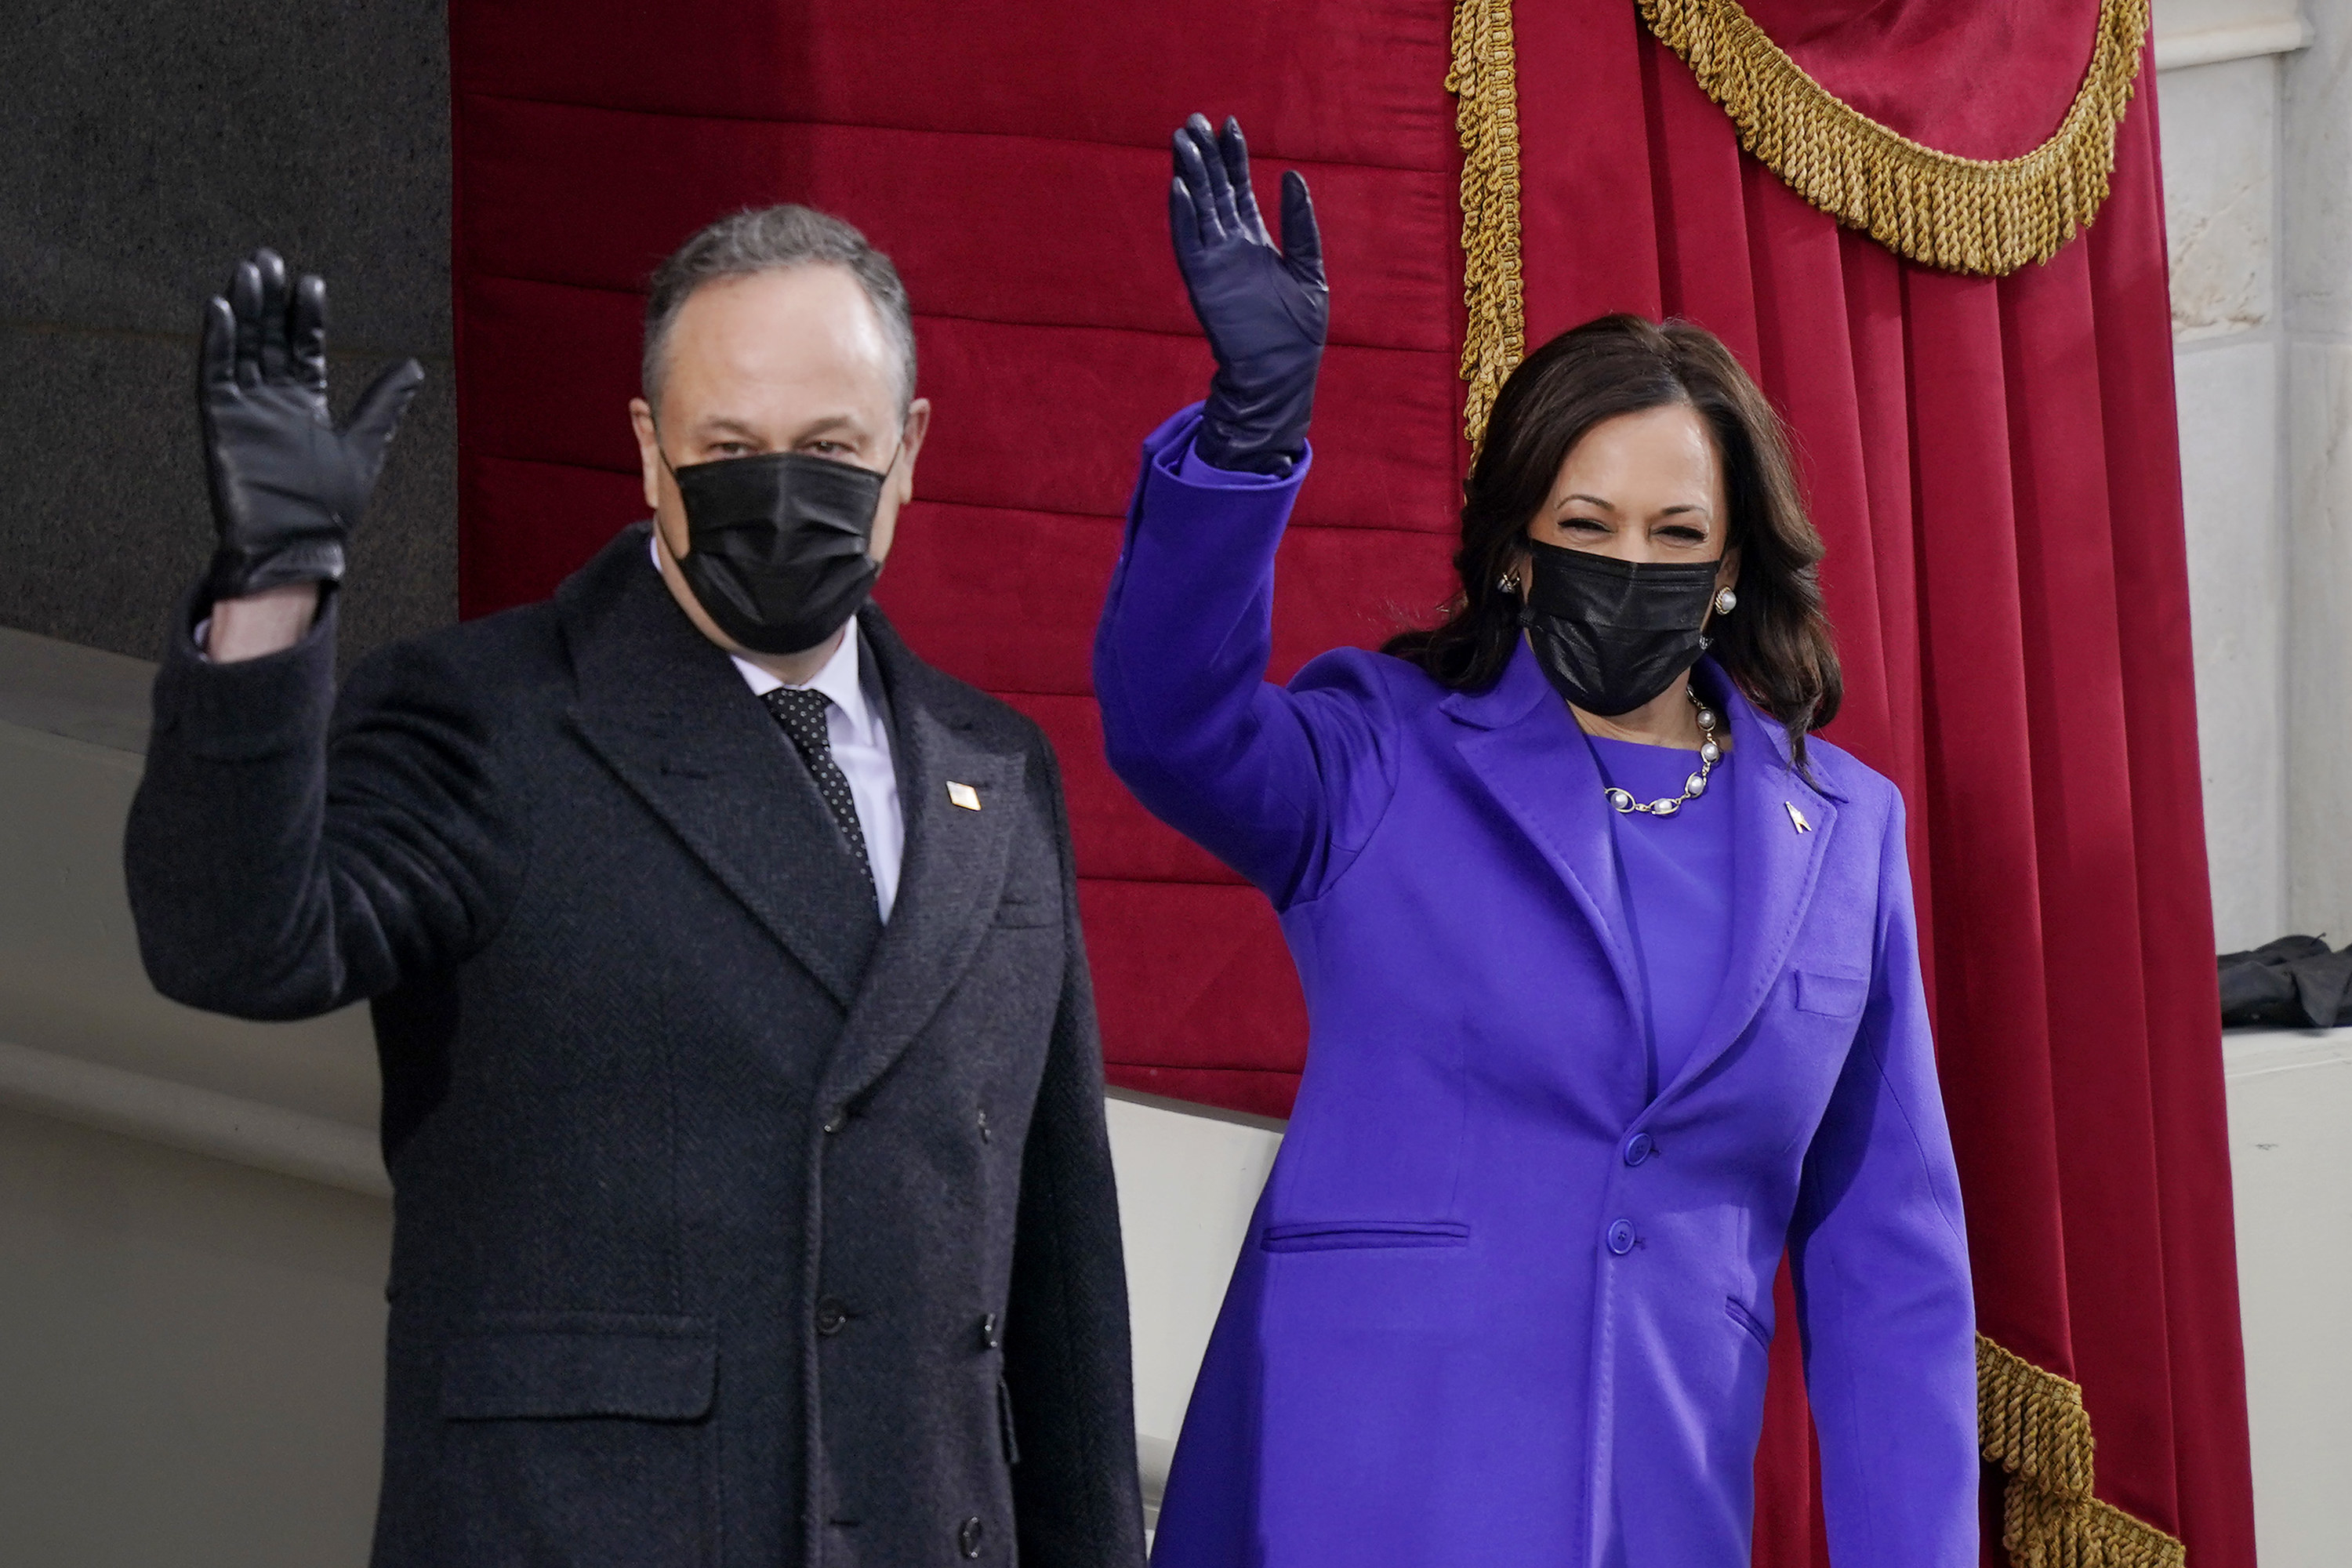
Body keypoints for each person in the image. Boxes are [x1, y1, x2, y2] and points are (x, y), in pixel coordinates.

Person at [125, 208, 1147, 1568]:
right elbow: (235, 942)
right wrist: (270, 594)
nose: (781, 489)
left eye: (832, 447)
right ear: (650, 451)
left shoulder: (996, 769)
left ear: (908, 451)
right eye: (729, 448)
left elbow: (1058, 1276)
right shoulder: (488, 719)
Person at [1094, 116, 1976, 1567]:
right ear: (1516, 547)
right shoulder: (1378, 753)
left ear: (1732, 568)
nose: (1629, 565)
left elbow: (1892, 1274)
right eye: (1587, 522)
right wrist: (1248, 436)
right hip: (1349, 1491)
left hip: (1657, 1508)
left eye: (1675, 533)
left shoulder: (1845, 834)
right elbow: (1168, 726)